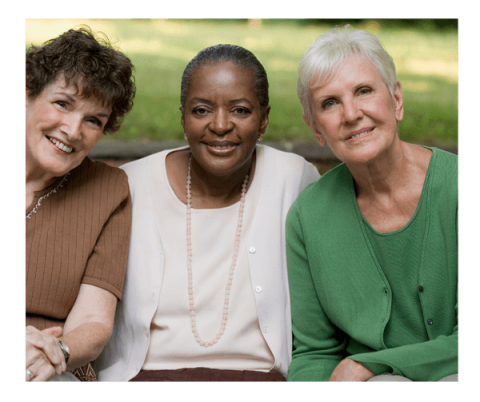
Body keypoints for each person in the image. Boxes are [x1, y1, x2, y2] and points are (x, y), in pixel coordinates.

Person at [93, 44, 320, 383]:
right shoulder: (132, 185)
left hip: (259, 375)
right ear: (183, 117)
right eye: (201, 110)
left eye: (240, 110)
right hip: (148, 375)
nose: (220, 125)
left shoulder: (294, 179)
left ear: (264, 119)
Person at [286, 25, 459, 383]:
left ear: (396, 99)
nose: (351, 114)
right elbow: (316, 352)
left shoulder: (454, 187)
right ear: (316, 128)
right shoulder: (308, 217)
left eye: (363, 91)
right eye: (329, 103)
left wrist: (366, 365)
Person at [24, 26, 135, 383]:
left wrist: (59, 352)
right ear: (27, 94)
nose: (73, 130)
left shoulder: (108, 191)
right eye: (62, 104)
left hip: (50, 368)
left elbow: (93, 321)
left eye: (93, 121)